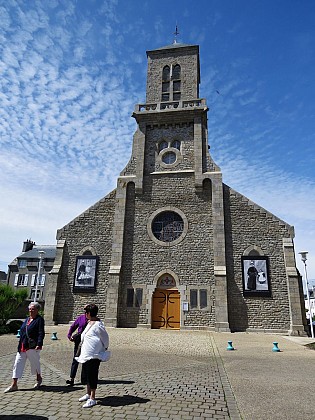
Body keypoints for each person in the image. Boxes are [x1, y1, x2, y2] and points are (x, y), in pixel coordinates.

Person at [4, 301, 45, 393]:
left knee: (35, 363)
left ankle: (39, 378)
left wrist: (39, 343)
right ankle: (14, 384)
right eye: (30, 309)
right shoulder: (26, 319)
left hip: (32, 346)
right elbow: (23, 331)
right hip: (22, 346)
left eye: (33, 309)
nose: (31, 311)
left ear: (37, 310)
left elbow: (41, 332)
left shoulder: (39, 320)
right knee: (17, 364)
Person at [76, 303, 110, 408]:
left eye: (86, 312)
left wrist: (104, 348)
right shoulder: (89, 323)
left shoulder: (98, 325)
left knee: (92, 375)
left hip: (94, 355)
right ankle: (88, 393)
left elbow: (105, 338)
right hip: (86, 354)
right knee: (86, 374)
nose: (85, 314)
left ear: (89, 313)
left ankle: (93, 398)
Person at [66, 305, 89, 386]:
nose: (85, 312)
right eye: (85, 310)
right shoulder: (81, 318)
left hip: (88, 342)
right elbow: (73, 326)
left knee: (85, 360)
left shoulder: (93, 320)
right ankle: (72, 378)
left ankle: (84, 379)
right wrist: (69, 335)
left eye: (87, 310)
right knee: (76, 358)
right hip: (79, 341)